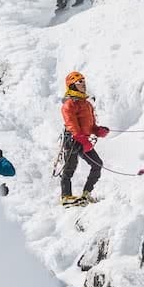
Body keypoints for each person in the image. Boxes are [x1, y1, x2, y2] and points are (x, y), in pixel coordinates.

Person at [59, 71, 110, 206]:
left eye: (84, 82)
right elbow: (71, 125)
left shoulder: (86, 104)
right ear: (72, 85)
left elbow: (90, 125)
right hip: (73, 140)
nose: (83, 84)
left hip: (83, 141)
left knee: (97, 164)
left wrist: (98, 131)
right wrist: (83, 139)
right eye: (80, 82)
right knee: (70, 168)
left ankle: (86, 193)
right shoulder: (69, 104)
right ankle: (66, 197)